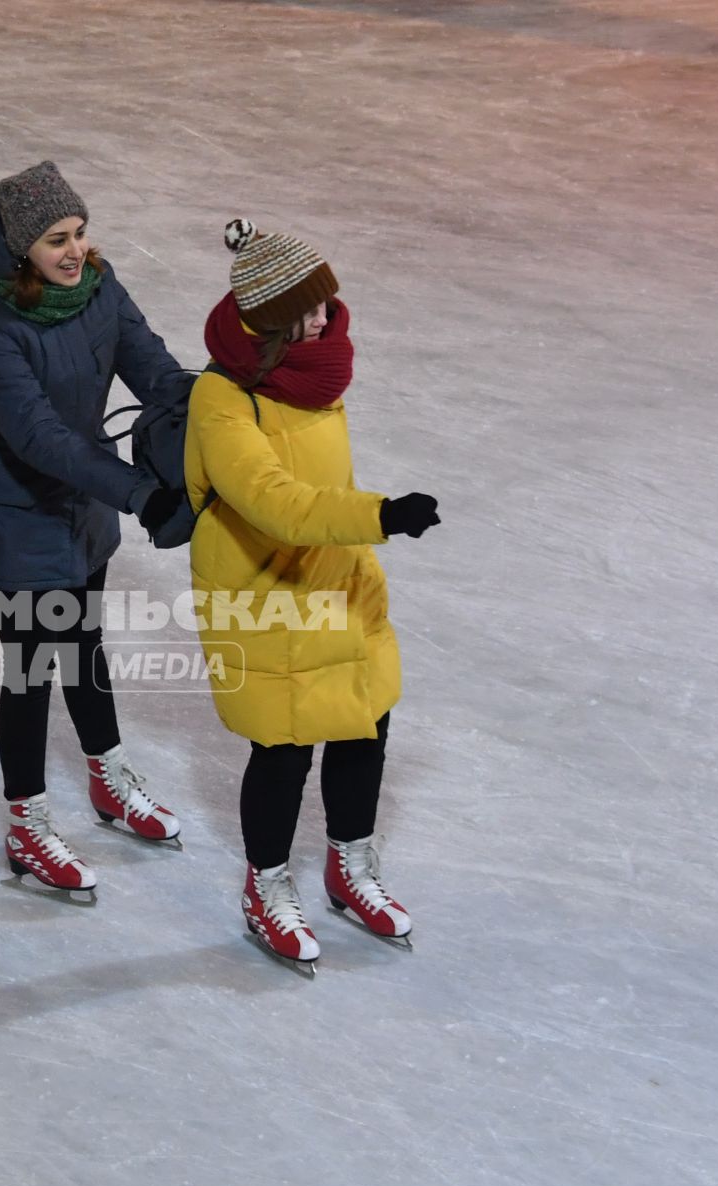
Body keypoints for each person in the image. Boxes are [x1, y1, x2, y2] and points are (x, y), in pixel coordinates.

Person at [185, 220, 440, 972]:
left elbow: (318, 492)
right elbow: (275, 501)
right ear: (269, 317)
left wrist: (362, 534)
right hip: (264, 593)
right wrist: (380, 516)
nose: (327, 318)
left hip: (337, 579)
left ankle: (349, 866)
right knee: (284, 747)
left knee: (363, 727)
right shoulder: (221, 398)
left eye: (328, 301)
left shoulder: (316, 372)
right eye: (310, 307)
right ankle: (266, 887)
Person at [0, 160, 193, 901]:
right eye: (56, 238)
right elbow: (38, 436)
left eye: (81, 232)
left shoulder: (99, 287)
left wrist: (207, 418)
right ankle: (26, 823)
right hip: (14, 515)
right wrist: (139, 493)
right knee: (29, 670)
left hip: (81, 504)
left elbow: (152, 365)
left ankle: (107, 778)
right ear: (22, 247)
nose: (75, 250)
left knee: (84, 643)